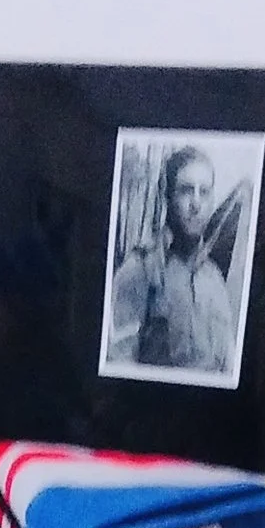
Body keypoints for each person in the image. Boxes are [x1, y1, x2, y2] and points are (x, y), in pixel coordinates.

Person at [109, 143, 238, 376]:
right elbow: (118, 364)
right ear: (168, 196)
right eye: (186, 190)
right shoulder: (140, 270)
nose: (196, 204)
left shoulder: (215, 280)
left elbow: (230, 364)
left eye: (204, 192)